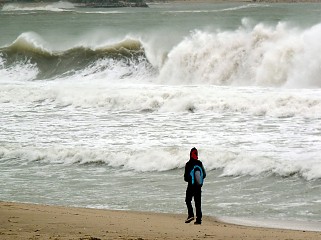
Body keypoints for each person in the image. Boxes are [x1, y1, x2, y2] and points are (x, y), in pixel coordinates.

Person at [184, 147, 206, 225]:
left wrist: (191, 180)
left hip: (191, 186)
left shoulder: (188, 164)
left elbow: (185, 178)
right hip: (198, 186)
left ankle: (191, 215)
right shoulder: (199, 163)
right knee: (198, 203)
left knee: (188, 200)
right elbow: (204, 175)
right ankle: (199, 220)